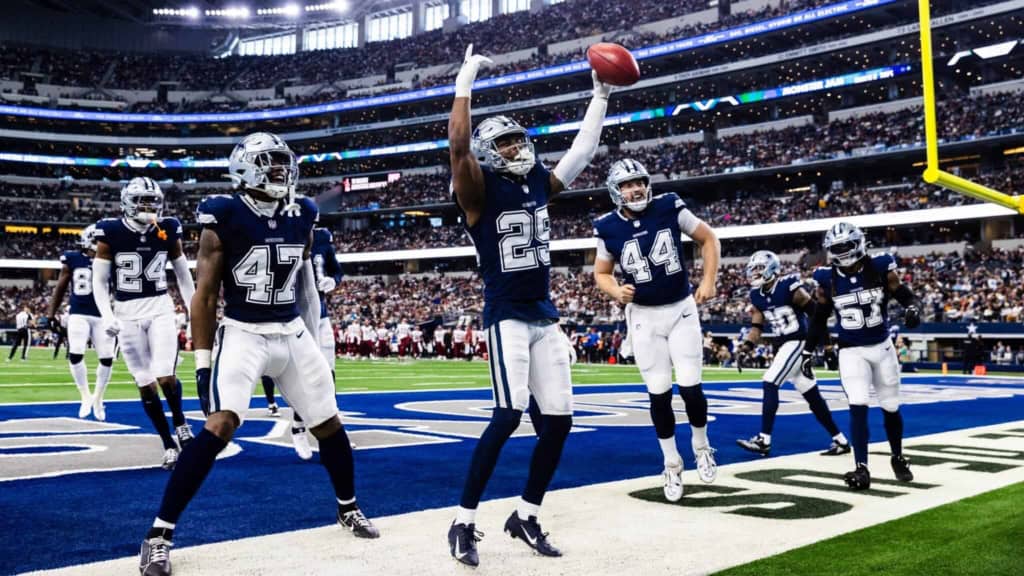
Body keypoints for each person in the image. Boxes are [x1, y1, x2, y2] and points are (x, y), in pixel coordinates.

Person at [138, 132, 377, 576]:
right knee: (220, 423)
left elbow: (305, 285)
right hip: (244, 331)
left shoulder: (303, 212)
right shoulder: (224, 213)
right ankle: (158, 534)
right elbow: (205, 296)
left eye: (283, 162)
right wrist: (202, 361)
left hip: (291, 330)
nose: (281, 171)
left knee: (328, 421)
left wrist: (314, 337)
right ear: (245, 168)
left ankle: (347, 507)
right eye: (269, 162)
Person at [447, 44, 611, 567]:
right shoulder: (477, 189)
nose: (519, 147)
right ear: (491, 151)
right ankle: (463, 521)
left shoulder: (538, 181)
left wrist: (600, 97)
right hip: (506, 316)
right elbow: (457, 149)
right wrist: (464, 84)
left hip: (545, 315)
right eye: (509, 141)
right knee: (507, 414)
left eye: (521, 138)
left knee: (558, 422)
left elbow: (581, 154)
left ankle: (526, 513)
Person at [593, 158, 721, 503]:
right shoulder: (607, 227)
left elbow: (708, 239)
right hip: (644, 318)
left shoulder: (669, 206)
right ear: (615, 191)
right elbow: (602, 273)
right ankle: (671, 462)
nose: (635, 189)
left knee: (691, 387)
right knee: (659, 393)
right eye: (626, 184)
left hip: (680, 310)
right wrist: (615, 290)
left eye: (639, 182)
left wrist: (708, 280)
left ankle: (701, 445)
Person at [802, 222, 918, 490]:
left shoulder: (879, 266)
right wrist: (809, 350)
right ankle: (861, 467)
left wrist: (912, 307)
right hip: (851, 349)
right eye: (836, 248)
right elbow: (819, 318)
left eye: (845, 246)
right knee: (858, 404)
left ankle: (897, 456)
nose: (840, 252)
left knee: (890, 406)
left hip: (882, 347)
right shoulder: (826, 278)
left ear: (858, 243)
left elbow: (903, 294)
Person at [92, 178, 195, 469]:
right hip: (125, 312)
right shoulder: (110, 230)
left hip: (160, 307)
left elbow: (183, 274)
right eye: (142, 201)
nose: (148, 207)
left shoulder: (168, 228)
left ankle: (181, 423)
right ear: (127, 202)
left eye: (152, 201)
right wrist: (107, 315)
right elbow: (99, 282)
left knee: (165, 373)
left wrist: (194, 310)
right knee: (144, 381)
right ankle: (168, 443)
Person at [734, 250, 849, 457]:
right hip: (786, 345)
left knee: (770, 382)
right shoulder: (756, 295)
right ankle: (840, 440)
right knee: (813, 397)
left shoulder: (789, 286)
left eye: (759, 268)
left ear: (772, 269)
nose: (755, 273)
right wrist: (746, 347)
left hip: (799, 341)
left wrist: (828, 347)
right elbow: (756, 328)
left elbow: (817, 315)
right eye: (753, 269)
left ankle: (764, 440)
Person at [46, 225, 116, 419]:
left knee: (107, 358)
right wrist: (50, 314)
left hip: (103, 315)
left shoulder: (111, 260)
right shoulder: (73, 258)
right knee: (76, 354)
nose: (100, 245)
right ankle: (85, 395)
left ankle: (99, 398)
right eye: (97, 240)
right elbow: (60, 287)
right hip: (78, 313)